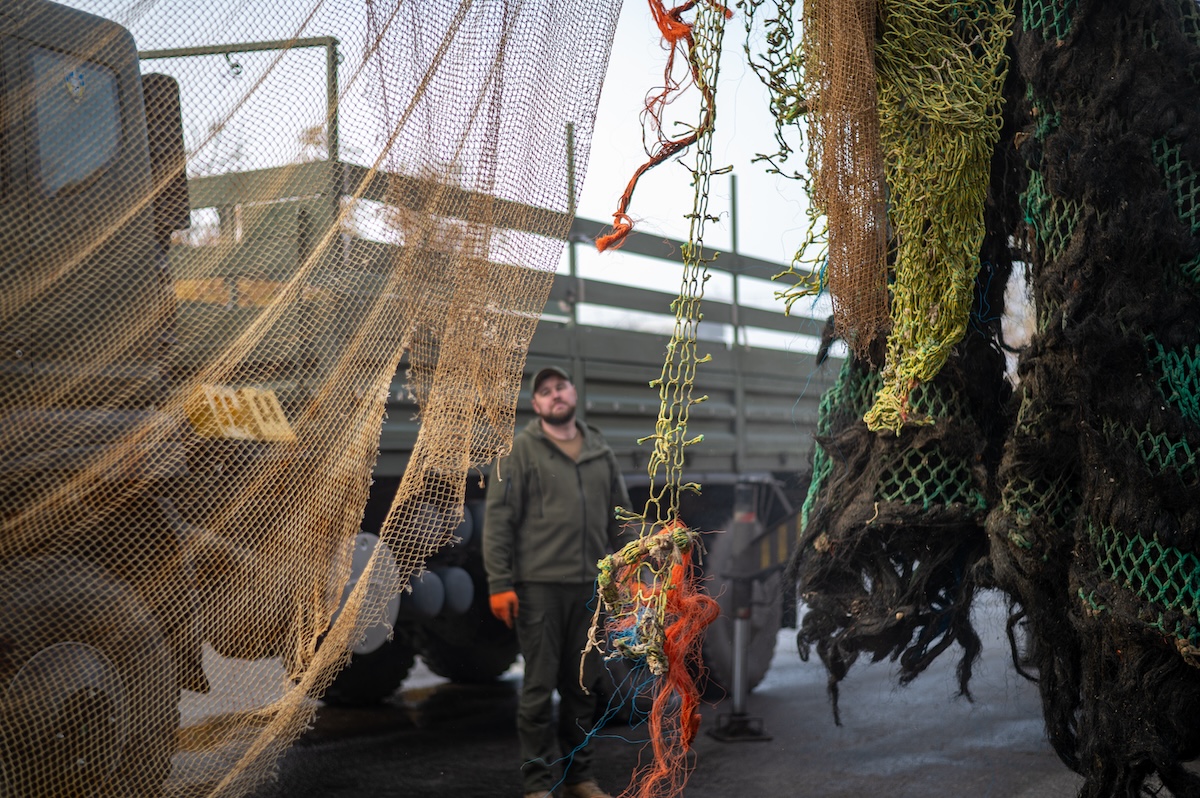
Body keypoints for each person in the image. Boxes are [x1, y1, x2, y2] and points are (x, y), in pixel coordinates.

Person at [483, 365, 633, 798]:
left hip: (590, 588)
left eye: (560, 387)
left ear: (573, 393)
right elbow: (498, 522)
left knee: (583, 687)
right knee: (537, 688)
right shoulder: (520, 452)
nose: (555, 395)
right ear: (536, 404)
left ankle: (579, 778)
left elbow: (620, 519)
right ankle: (536, 785)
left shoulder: (599, 450)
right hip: (540, 588)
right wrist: (499, 583)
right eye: (545, 391)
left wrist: (630, 573)